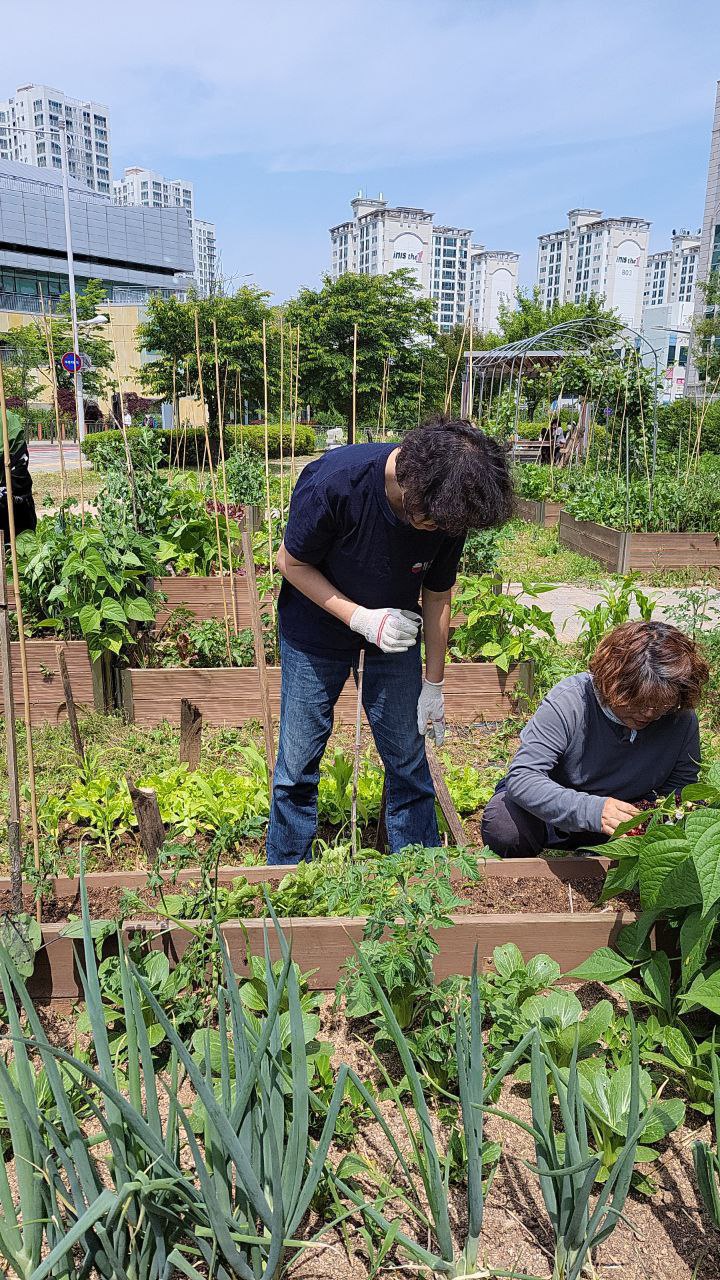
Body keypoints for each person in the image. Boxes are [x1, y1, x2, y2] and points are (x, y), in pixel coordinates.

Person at [267, 418, 514, 865]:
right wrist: (359, 617)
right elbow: (290, 562)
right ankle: (284, 880)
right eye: (431, 521)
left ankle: (420, 880)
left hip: (395, 637)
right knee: (296, 766)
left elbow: (437, 595)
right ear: (410, 484)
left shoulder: (448, 504)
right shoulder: (337, 482)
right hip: (315, 630)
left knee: (408, 762)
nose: (436, 529)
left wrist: (434, 683)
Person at [481, 620, 709, 858]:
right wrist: (593, 811)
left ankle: (603, 855)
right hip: (554, 816)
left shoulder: (679, 718)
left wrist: (650, 819)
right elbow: (523, 778)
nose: (650, 713)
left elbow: (679, 791)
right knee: (505, 825)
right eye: (638, 702)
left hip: (624, 818)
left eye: (661, 704)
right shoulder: (571, 702)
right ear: (613, 684)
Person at [1, 408, 37, 541]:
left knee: (16, 549)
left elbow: (19, 470)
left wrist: (6, 491)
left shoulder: (8, 421)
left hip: (14, 507)